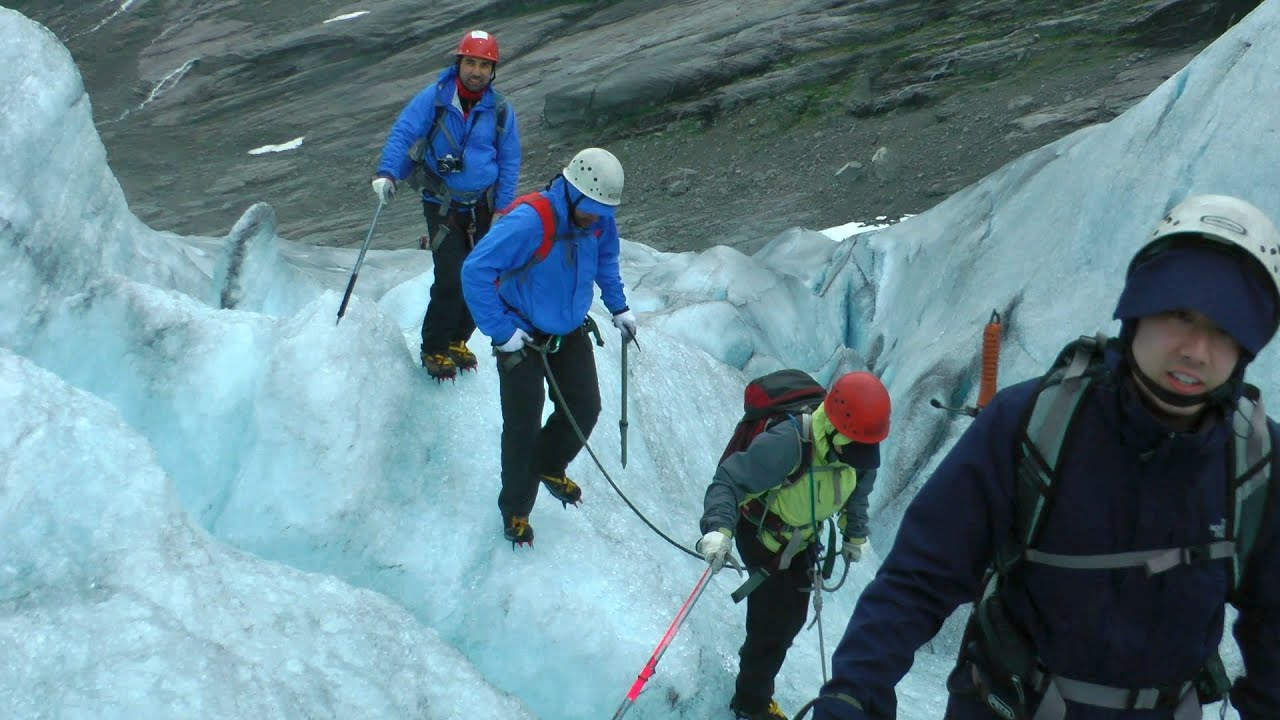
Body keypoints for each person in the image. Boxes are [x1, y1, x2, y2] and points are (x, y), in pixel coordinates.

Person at [810, 195, 1280, 720]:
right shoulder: (1034, 423)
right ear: (1138, 307)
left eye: (1224, 327)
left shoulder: (1255, 462)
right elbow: (921, 575)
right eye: (1179, 313)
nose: (1197, 349)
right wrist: (855, 692)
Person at [460, 147, 635, 546]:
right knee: (522, 427)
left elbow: (606, 261)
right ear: (571, 190)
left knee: (584, 407)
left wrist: (618, 306)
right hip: (520, 335)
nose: (595, 217)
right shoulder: (530, 221)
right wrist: (501, 332)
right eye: (590, 208)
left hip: (568, 331)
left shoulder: (598, 221)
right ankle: (516, 510)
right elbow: (475, 271)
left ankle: (550, 465)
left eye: (602, 211)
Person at [698, 371, 892, 720]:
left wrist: (854, 533)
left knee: (788, 620)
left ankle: (753, 694)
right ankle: (750, 705)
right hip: (760, 533)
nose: (862, 456)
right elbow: (729, 481)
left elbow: (857, 491)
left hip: (802, 536)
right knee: (771, 626)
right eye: (857, 447)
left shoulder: (858, 448)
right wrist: (718, 529)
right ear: (833, 429)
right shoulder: (789, 442)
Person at [372, 29, 521, 381]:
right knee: (452, 277)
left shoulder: (499, 110)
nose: (477, 71)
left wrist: (503, 207)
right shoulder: (435, 99)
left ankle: (458, 341)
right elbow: (404, 133)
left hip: (483, 205)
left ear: (492, 71)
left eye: (485, 65)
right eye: (471, 62)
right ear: (459, 63)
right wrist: (388, 173)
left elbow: (510, 158)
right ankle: (434, 346)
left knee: (482, 275)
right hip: (443, 204)